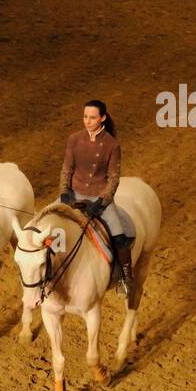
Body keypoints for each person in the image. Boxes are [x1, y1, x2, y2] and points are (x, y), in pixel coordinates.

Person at [58, 100, 137, 297]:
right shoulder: (74, 139)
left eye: (92, 117)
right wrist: (64, 193)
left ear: (102, 118)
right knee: (50, 224)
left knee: (119, 235)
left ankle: (126, 276)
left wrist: (102, 202)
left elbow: (113, 178)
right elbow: (67, 169)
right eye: (85, 117)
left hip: (99, 198)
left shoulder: (112, 145)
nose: (88, 121)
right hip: (74, 194)